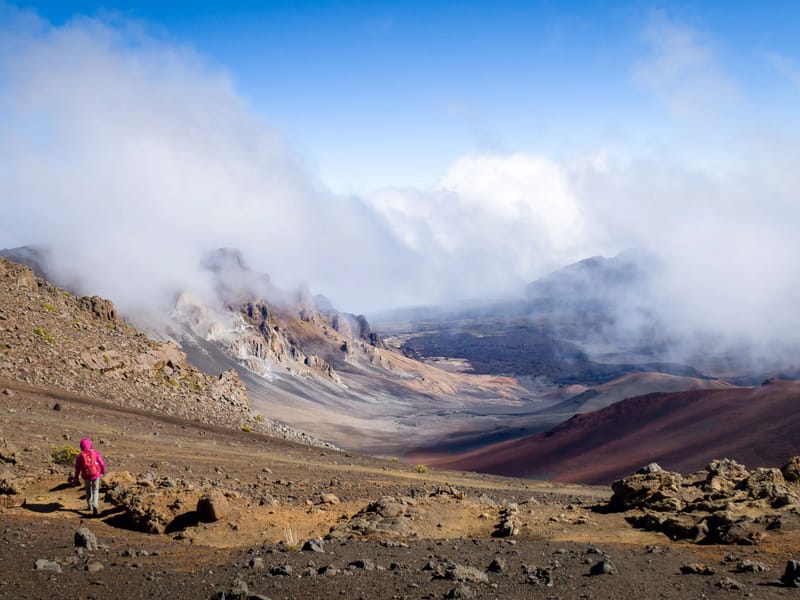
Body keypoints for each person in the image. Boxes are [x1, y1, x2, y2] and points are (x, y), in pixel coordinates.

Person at [73, 437, 107, 516]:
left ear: (81, 446)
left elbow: (77, 469)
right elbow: (102, 463)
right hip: (96, 474)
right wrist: (103, 471)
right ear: (90, 445)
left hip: (86, 475)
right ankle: (95, 505)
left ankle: (90, 506)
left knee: (88, 490)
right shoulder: (95, 453)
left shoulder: (80, 456)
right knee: (95, 489)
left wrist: (76, 479)